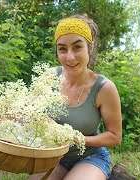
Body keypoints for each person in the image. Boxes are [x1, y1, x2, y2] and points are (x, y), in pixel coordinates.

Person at [29, 14, 131, 180]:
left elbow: (115, 136)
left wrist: (78, 139)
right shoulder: (48, 78)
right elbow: (30, 113)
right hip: (53, 158)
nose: (70, 57)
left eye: (77, 47)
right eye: (62, 49)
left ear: (90, 48)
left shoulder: (104, 88)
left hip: (90, 157)